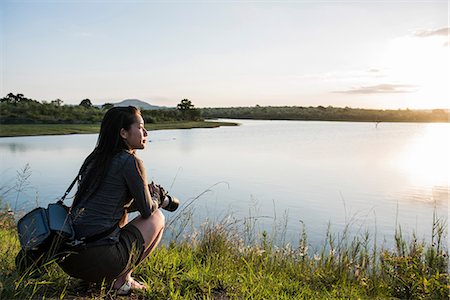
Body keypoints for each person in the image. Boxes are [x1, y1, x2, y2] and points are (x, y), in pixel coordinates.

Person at [58, 106, 165, 295]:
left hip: (70, 261)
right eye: (140, 127)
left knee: (122, 218)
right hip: (102, 260)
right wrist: (156, 197)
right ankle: (122, 281)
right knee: (157, 218)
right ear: (123, 133)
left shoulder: (94, 159)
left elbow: (108, 205)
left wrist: (142, 196)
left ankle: (102, 279)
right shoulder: (130, 161)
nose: (146, 132)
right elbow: (147, 211)